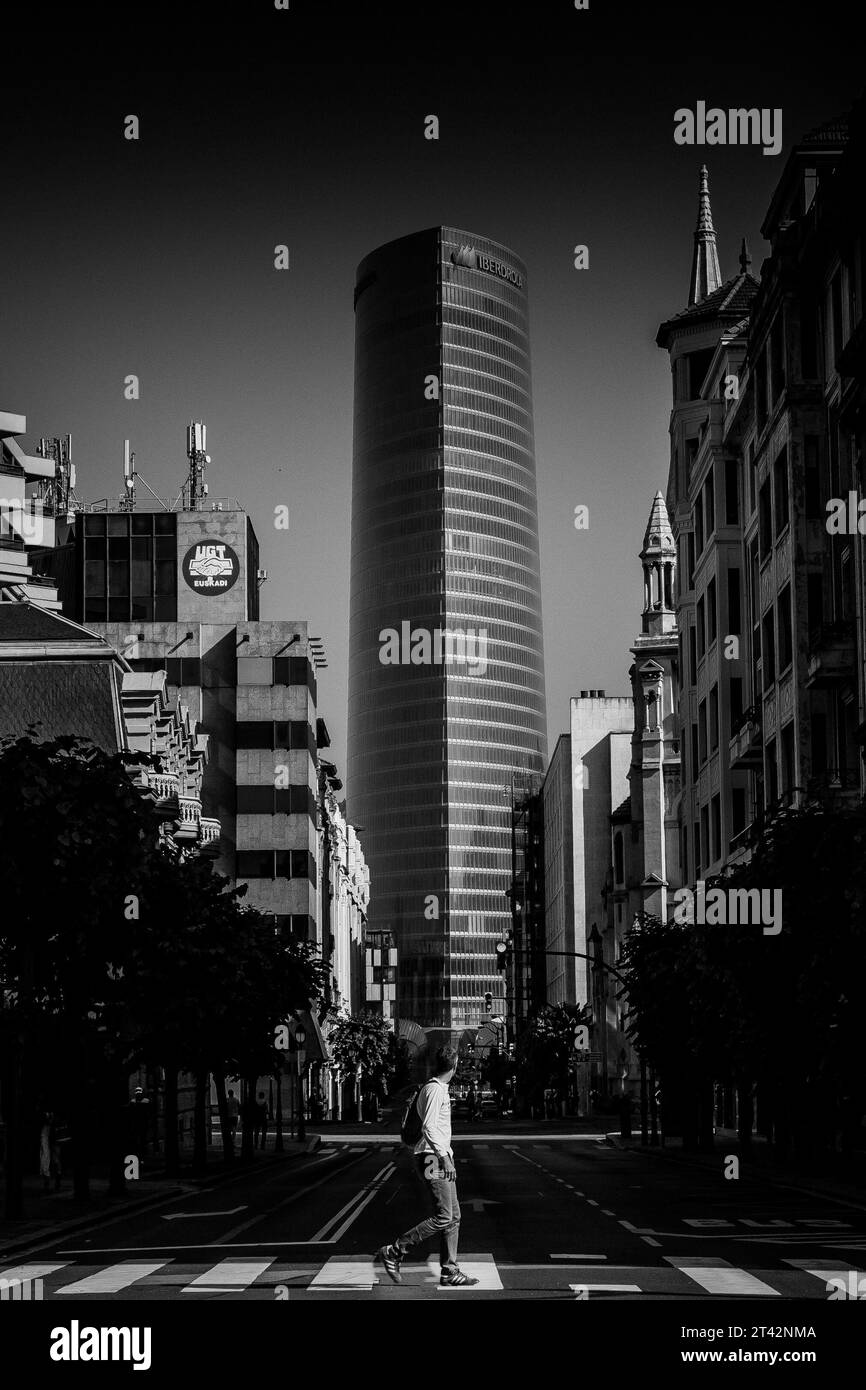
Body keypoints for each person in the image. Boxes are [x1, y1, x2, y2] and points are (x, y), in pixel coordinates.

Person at [376, 1046, 479, 1287]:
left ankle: (449, 1271)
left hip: (438, 1155)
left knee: (453, 1216)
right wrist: (444, 1157)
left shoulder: (437, 1088)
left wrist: (447, 1156)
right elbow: (429, 1127)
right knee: (444, 1216)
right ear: (453, 1067)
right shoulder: (434, 1090)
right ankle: (395, 1250)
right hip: (432, 1157)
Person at [39, 1112, 62, 1192]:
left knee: (55, 1159)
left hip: (53, 1133)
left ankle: (55, 1181)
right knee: (46, 1158)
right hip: (48, 1132)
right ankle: (48, 1183)